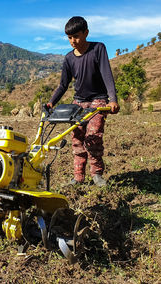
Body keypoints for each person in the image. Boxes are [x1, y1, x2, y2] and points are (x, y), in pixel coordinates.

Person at [47, 16, 119, 187]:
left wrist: (113, 99)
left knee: (93, 138)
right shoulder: (69, 58)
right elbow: (63, 84)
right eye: (70, 38)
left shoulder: (98, 49)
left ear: (86, 33)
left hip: (99, 100)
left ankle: (97, 175)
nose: (73, 41)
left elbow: (107, 75)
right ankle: (78, 177)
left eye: (77, 36)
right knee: (77, 139)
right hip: (78, 103)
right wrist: (51, 102)